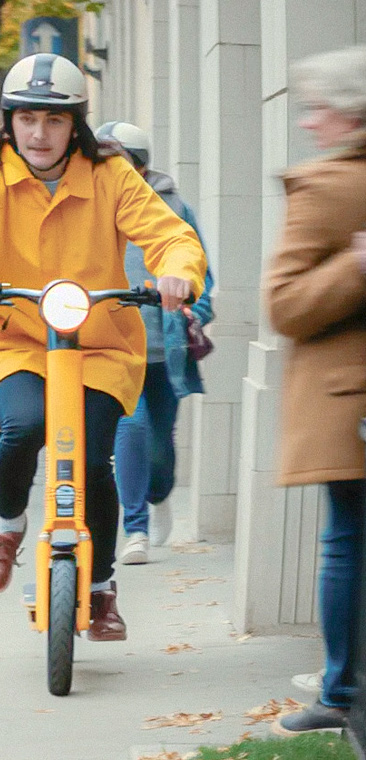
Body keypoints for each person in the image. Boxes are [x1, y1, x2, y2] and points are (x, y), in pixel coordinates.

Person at [0, 53, 206, 642]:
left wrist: (178, 272)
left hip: (99, 344)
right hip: (12, 338)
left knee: (93, 461)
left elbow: (170, 234)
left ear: (76, 125)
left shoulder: (111, 175)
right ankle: (8, 524)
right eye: (27, 120)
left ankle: (100, 589)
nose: (39, 134)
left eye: (54, 120)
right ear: (11, 122)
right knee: (23, 427)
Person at [262, 45, 366, 737]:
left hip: (348, 402)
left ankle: (341, 693)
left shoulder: (328, 187)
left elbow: (285, 306)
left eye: (317, 110)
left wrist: (357, 266)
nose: (308, 125)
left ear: (350, 113)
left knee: (346, 542)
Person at [94, 121, 216, 566]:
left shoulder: (175, 208)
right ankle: (135, 528)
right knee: (132, 429)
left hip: (165, 351)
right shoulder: (90, 205)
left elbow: (204, 277)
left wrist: (191, 310)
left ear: (140, 167)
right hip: (112, 347)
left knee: (161, 445)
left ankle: (159, 493)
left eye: (118, 161)